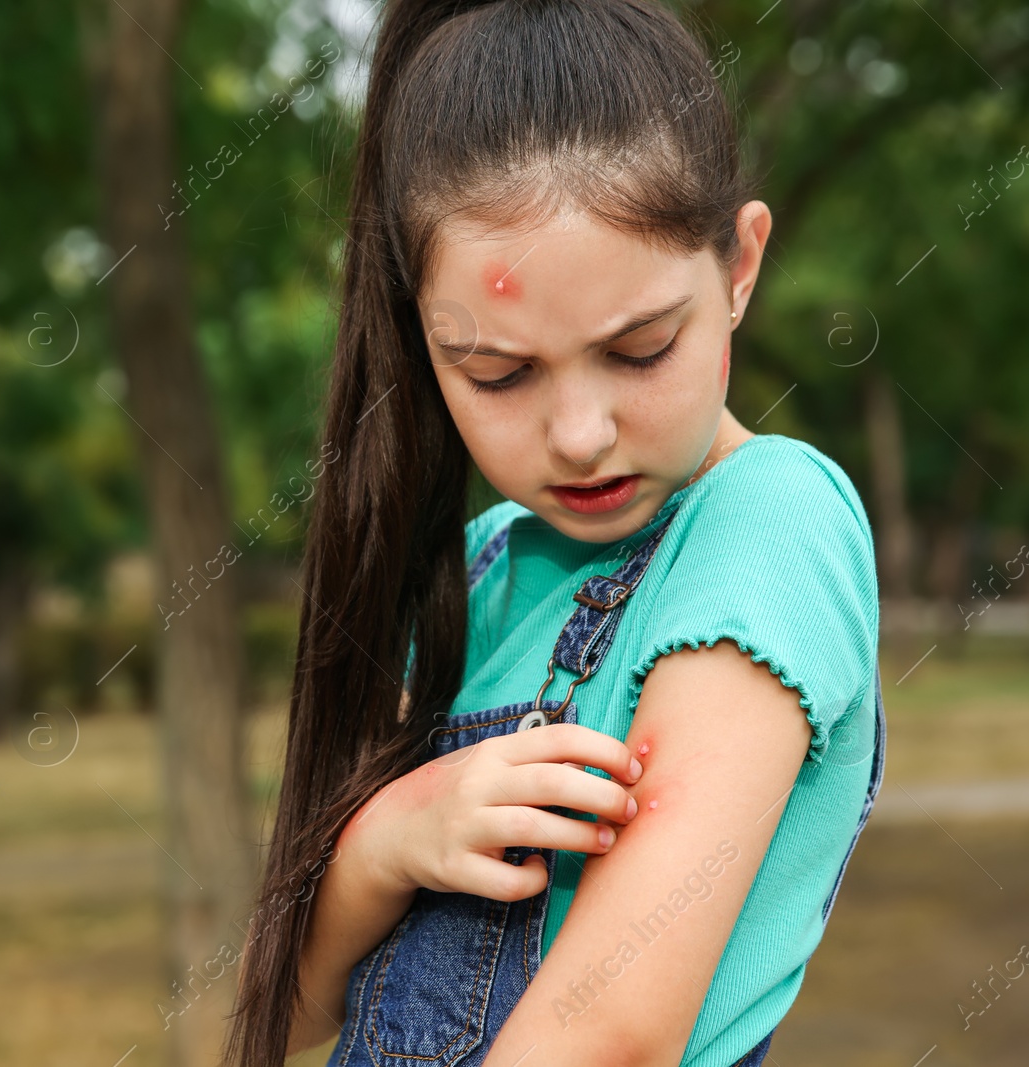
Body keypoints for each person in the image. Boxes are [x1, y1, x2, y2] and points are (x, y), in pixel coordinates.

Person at [221, 2, 886, 1066]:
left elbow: (608, 1031)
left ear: (740, 266)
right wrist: (389, 838)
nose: (579, 436)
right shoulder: (476, 575)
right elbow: (285, 1008)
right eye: (498, 372)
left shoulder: (771, 517)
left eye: (639, 348)